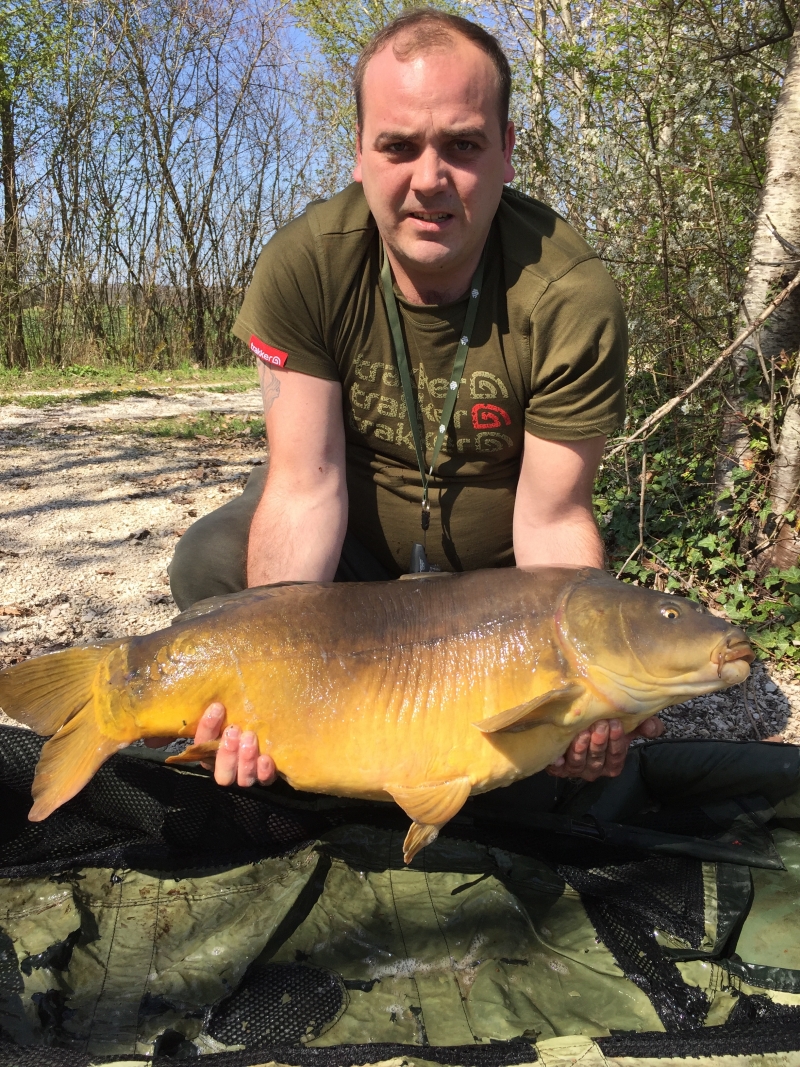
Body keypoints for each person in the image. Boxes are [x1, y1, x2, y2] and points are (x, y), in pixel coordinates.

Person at [162, 8, 664, 787]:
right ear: (359, 154)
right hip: (350, 549)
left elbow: (552, 516)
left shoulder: (570, 294)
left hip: (491, 587)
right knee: (211, 566)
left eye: (462, 144)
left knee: (566, 737)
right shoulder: (307, 265)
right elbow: (306, 483)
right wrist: (276, 674)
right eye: (398, 146)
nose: (429, 179)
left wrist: (576, 691)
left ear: (506, 150)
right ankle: (306, 737)